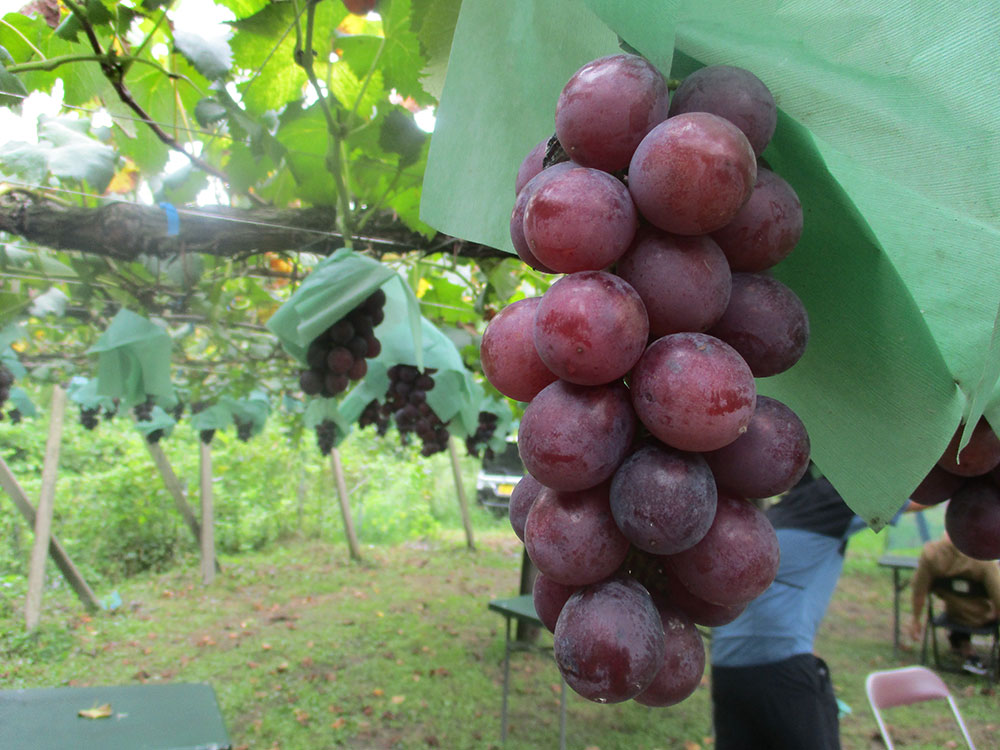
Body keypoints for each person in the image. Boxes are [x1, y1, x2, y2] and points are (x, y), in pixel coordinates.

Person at [709, 468, 915, 750]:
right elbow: (915, 497)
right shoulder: (836, 501)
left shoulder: (772, 516)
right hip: (781, 670)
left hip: (727, 670)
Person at [908, 531, 1000, 675]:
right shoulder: (983, 559)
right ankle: (966, 648)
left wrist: (915, 619)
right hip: (984, 618)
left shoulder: (931, 554)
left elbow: (919, 592)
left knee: (961, 605)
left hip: (953, 616)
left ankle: (963, 645)